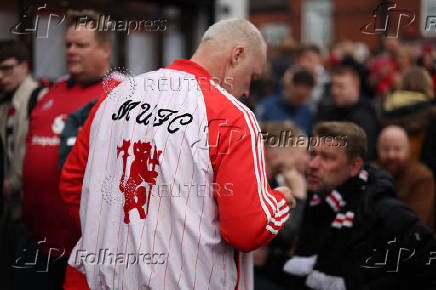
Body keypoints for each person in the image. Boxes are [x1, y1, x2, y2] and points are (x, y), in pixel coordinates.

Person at [60, 18, 295, 290]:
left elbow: (73, 184)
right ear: (237, 55)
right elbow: (246, 230)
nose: (246, 91)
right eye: (252, 77)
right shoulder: (231, 116)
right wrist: (281, 200)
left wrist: (116, 236)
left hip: (97, 279)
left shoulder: (115, 96)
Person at [19, 10, 118, 289]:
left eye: (82, 45)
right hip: (36, 241)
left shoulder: (120, 95)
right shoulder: (49, 92)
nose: (72, 51)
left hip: (85, 250)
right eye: (68, 44)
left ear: (105, 48)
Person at [283, 121, 436, 290]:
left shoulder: (382, 211)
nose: (313, 165)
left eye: (327, 158)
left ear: (354, 166)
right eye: (312, 154)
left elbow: (427, 263)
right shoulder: (315, 204)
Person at [0, 40, 47, 289]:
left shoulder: (38, 98)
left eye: (8, 69)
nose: (1, 76)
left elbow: (35, 149)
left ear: (24, 66)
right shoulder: (6, 102)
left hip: (30, 205)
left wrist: (16, 181)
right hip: (10, 205)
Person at [377, 126, 435, 230]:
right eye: (386, 149)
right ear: (377, 150)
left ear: (408, 151)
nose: (391, 155)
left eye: (397, 149)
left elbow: (417, 222)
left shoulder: (421, 176)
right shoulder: (372, 173)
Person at [317, 66, 378, 160]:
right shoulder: (327, 111)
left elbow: (364, 154)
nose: (334, 91)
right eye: (333, 86)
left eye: (340, 86)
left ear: (356, 87)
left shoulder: (367, 117)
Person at [376, 66, 436, 160]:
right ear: (427, 84)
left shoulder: (385, 105)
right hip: (420, 163)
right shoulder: (430, 112)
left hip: (387, 161)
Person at [256, 69, 315, 134]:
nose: (303, 101)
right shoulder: (266, 107)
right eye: (300, 97)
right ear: (289, 86)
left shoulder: (306, 111)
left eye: (307, 97)